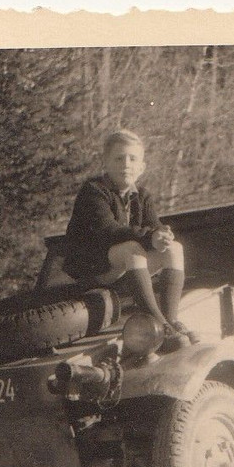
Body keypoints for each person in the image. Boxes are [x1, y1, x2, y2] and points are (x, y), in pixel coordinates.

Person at [64, 129, 197, 352]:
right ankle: (160, 326)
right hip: (90, 270)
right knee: (132, 249)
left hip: (123, 269)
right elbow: (108, 230)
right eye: (118, 158)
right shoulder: (94, 191)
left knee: (174, 249)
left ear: (141, 167)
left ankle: (170, 321)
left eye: (132, 159)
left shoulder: (142, 195)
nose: (126, 164)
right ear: (105, 162)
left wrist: (162, 235)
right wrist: (149, 237)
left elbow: (153, 226)